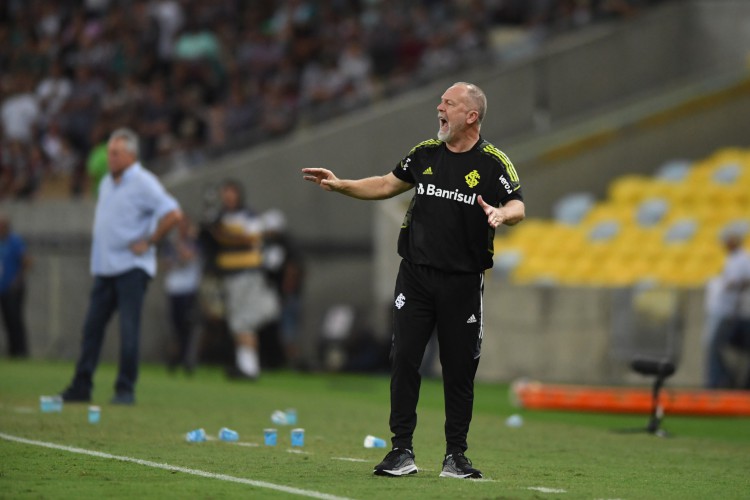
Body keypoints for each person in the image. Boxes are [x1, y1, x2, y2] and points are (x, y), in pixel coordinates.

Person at [302, 82, 525, 479]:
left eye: (449, 103)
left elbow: (518, 204)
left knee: (459, 370)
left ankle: (455, 456)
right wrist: (342, 185)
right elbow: (388, 184)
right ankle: (401, 450)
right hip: (416, 277)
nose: (439, 107)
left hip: (462, 282)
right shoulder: (425, 153)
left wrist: (502, 215)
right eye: (440, 101)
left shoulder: (493, 163)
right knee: (404, 359)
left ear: (471, 116)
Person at [60, 128, 182, 405]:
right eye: (109, 152)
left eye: (115, 153)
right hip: (104, 268)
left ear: (131, 154)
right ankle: (81, 386)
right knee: (91, 330)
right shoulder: (106, 182)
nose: (110, 158)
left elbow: (173, 213)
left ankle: (125, 389)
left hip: (131, 268)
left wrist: (150, 240)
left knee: (128, 331)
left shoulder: (143, 181)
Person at [202, 180, 279, 380]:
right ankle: (247, 366)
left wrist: (220, 233)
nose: (228, 197)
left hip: (247, 273)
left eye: (231, 192)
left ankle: (249, 367)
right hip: (229, 275)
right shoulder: (221, 217)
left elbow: (248, 239)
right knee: (238, 321)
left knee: (243, 320)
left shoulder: (248, 215)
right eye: (224, 192)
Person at [705, 229, 750, 389]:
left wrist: (731, 286)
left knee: (716, 345)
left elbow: (744, 281)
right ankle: (727, 380)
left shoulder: (744, 258)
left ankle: (722, 381)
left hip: (738, 313)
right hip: (730, 312)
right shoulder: (731, 259)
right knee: (719, 347)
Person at [162, 215, 202, 374]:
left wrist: (179, 245)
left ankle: (187, 359)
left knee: (188, 325)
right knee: (176, 325)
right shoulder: (170, 243)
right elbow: (166, 264)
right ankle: (175, 358)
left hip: (189, 288)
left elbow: (188, 258)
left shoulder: (194, 241)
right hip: (174, 288)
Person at [0, 214, 31, 358]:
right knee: (6, 320)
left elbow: (27, 261)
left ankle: (20, 351)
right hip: (2, 288)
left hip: (14, 289)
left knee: (15, 320)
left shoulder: (15, 241)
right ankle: (12, 351)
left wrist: (17, 280)